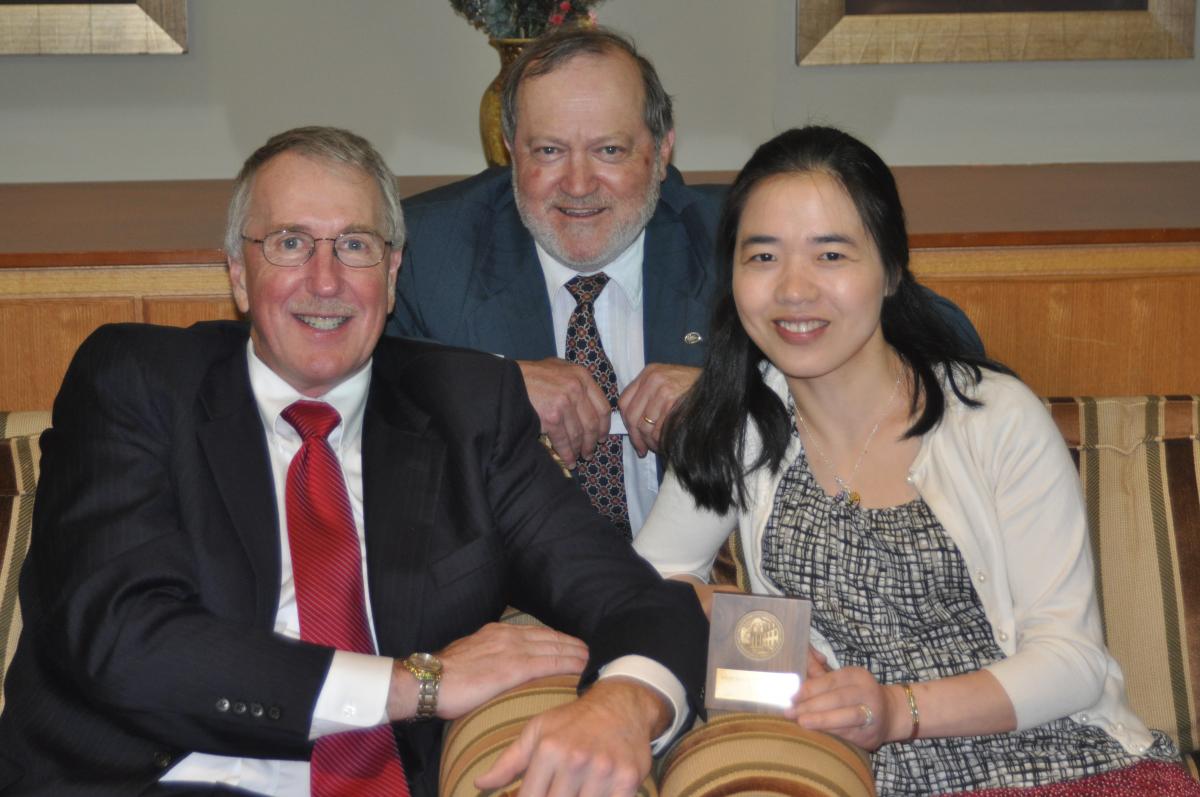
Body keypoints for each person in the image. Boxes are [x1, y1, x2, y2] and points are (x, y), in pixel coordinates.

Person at [0, 126, 707, 797]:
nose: (325, 280)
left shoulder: (466, 408)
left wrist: (625, 701)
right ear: (239, 275)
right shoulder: (139, 382)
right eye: (289, 243)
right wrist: (414, 684)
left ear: (393, 274)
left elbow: (636, 598)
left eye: (356, 246)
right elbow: (125, 641)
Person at [632, 126, 1198, 795]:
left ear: (891, 270)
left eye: (831, 254)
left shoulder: (995, 416)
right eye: (762, 257)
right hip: (864, 778)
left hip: (1061, 760)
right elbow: (640, 583)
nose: (792, 290)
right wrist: (718, 606)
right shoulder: (738, 427)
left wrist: (900, 710)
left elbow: (1072, 659)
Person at [388, 27, 984, 539]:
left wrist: (732, 397)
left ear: (662, 149)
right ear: (510, 153)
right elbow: (351, 382)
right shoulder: (428, 248)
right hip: (508, 600)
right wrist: (495, 387)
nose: (576, 183)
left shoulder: (745, 241)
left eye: (609, 150)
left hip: (704, 586)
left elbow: (949, 344)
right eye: (547, 150)